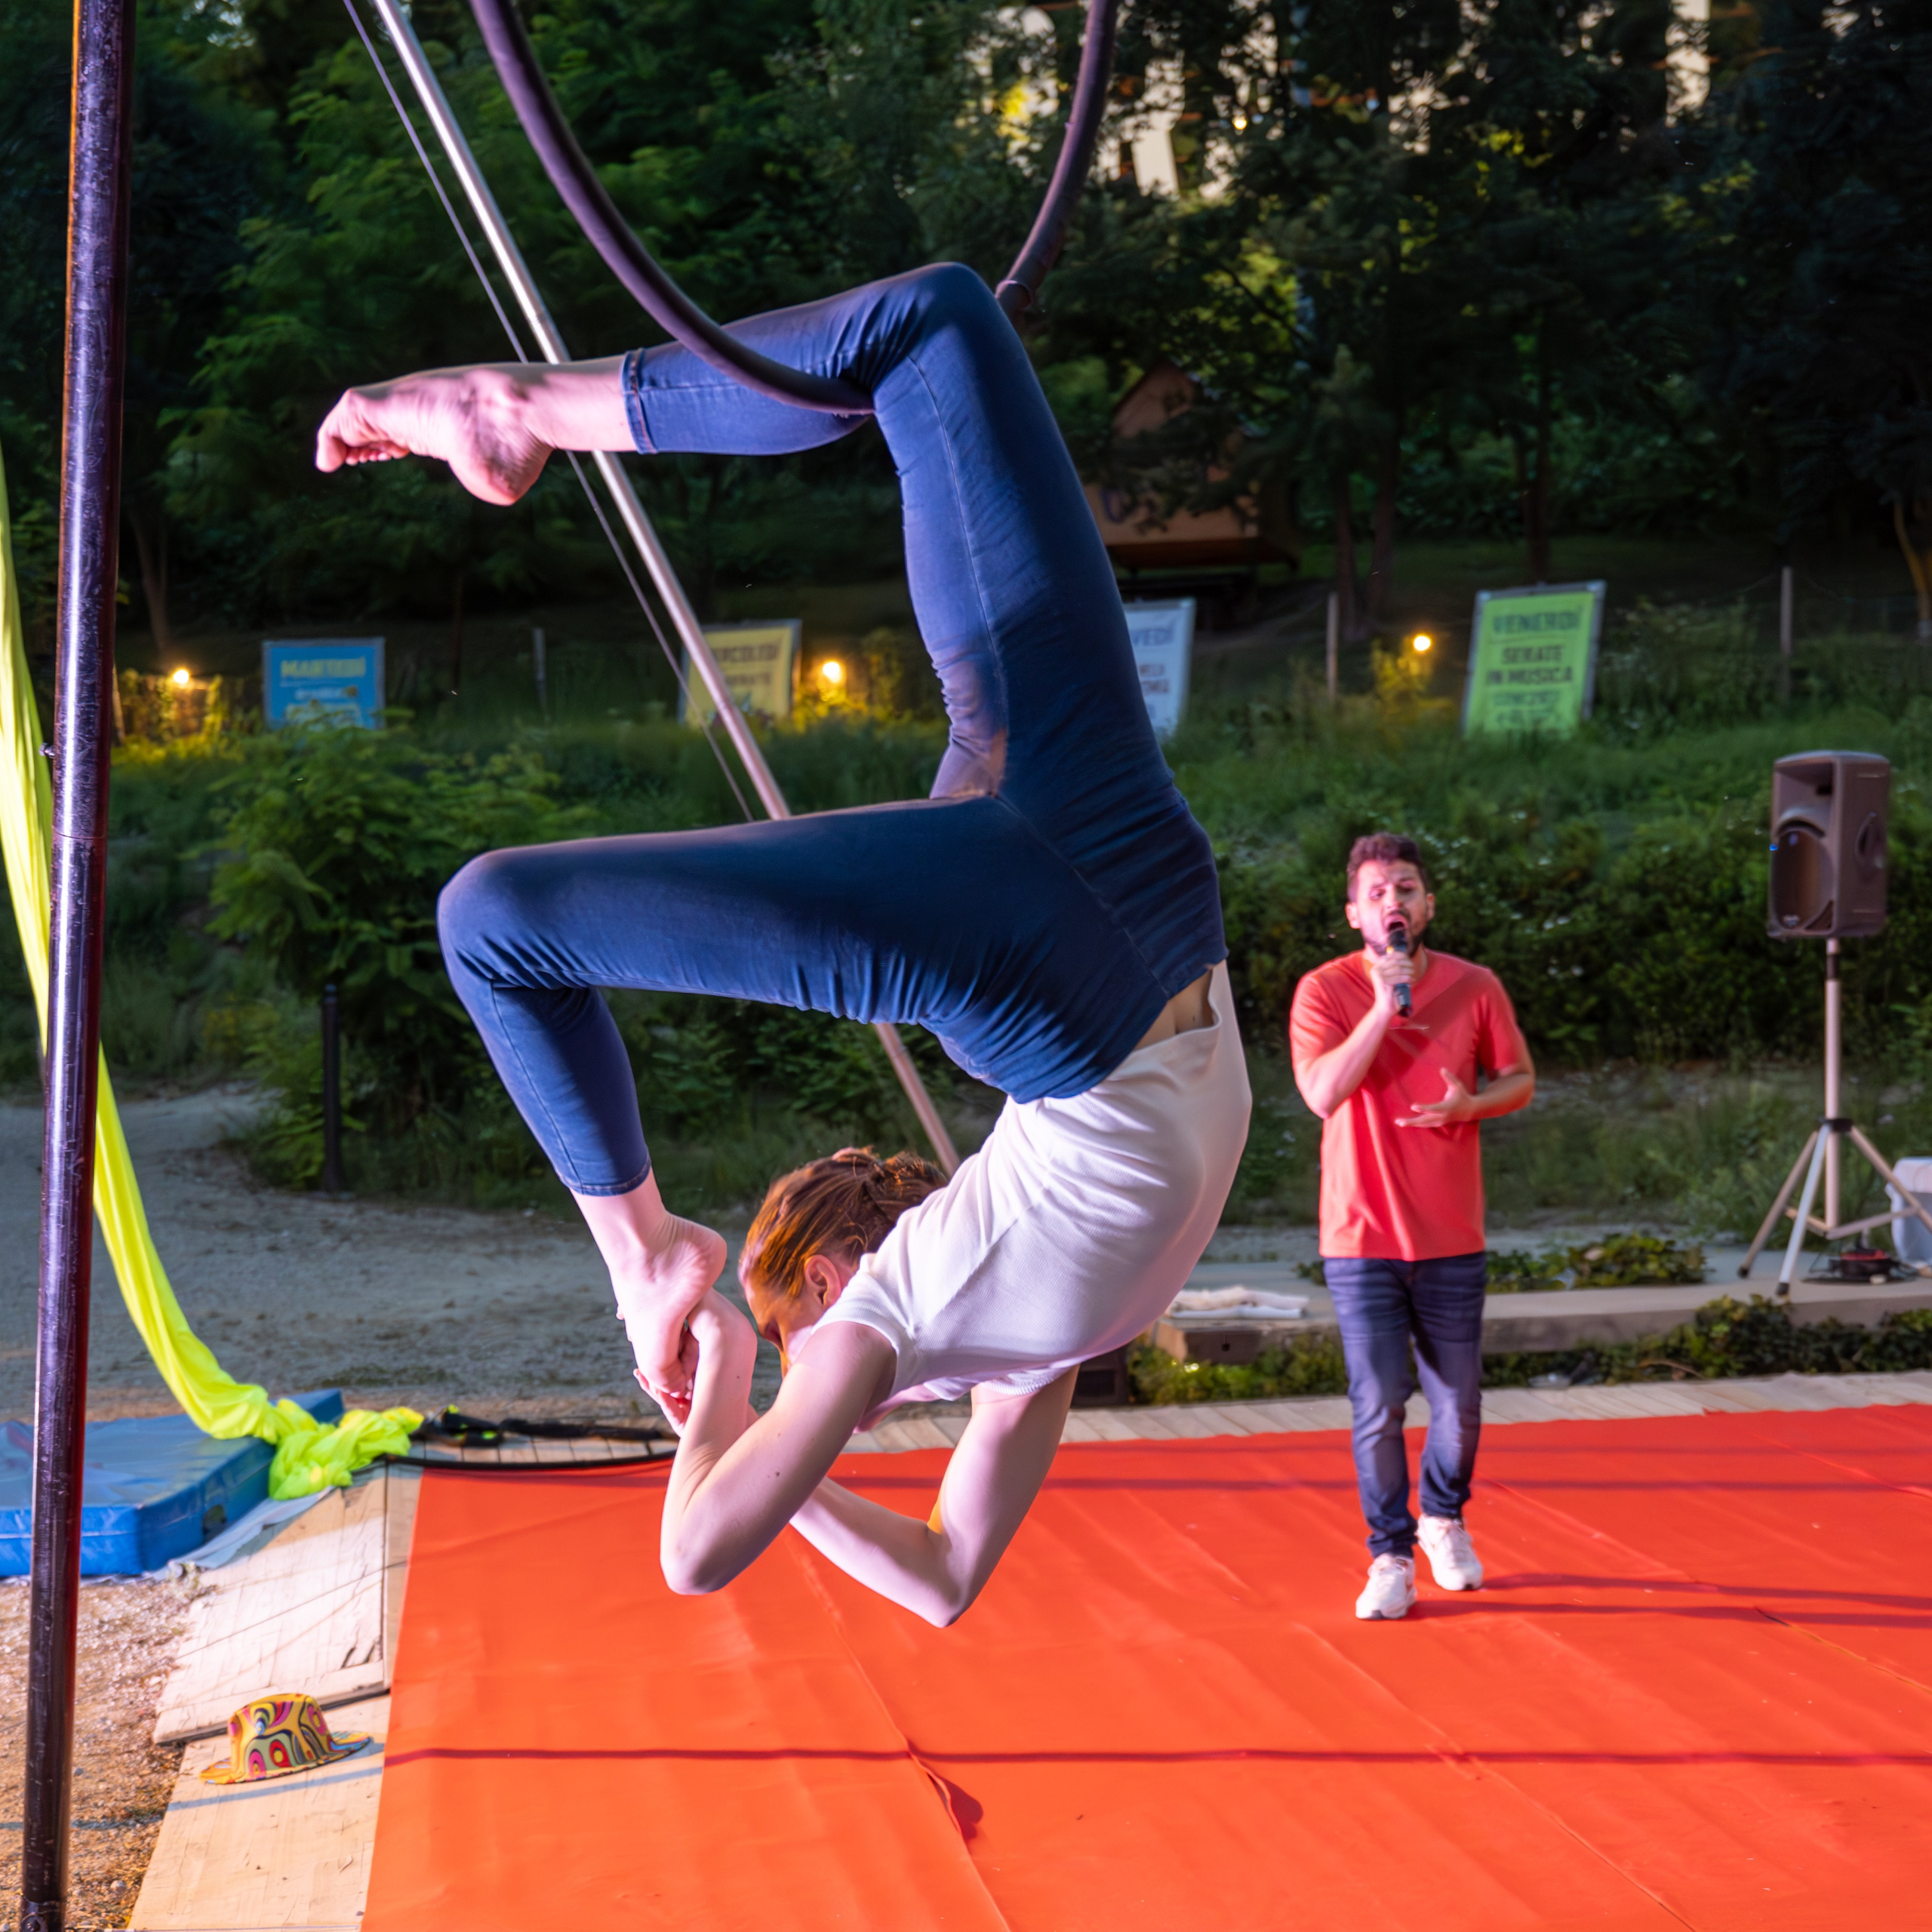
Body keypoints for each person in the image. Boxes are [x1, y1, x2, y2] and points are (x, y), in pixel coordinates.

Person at [314, 263, 1251, 1624]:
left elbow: (942, 1581)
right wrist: (733, 1371)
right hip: (1062, 958)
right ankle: (642, 1248)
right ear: (820, 1282)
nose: (817, 1384)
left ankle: (519, 405)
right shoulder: (879, 1330)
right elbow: (699, 1554)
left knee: (934, 324)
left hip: (1152, 892)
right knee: (494, 925)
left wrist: (782, 1453)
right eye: (793, 1337)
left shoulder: (1047, 1347)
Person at [1288, 834, 1534, 1621]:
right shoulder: (1323, 991)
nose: (1393, 901)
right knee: (1378, 1402)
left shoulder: (1475, 986)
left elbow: (1519, 1078)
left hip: (1451, 1235)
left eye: (1407, 887)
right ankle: (1389, 1554)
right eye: (1377, 892)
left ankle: (1442, 1517)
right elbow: (1322, 1093)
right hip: (1359, 1237)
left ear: (1428, 905)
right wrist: (1376, 1007)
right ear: (1355, 913)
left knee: (1457, 1404)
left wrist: (1471, 1106)